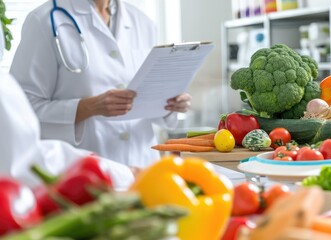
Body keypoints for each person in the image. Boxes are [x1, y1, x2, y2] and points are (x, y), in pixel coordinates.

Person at [10, 0, 192, 168]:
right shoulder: (43, 20)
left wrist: (170, 103)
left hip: (142, 168)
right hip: (81, 173)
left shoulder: (142, 22)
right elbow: (20, 110)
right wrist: (88, 107)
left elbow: (147, 98)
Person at [0, 27, 134, 191]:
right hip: (85, 183)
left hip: (138, 162)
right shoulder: (43, 20)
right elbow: (24, 159)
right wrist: (123, 174)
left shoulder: (141, 19)